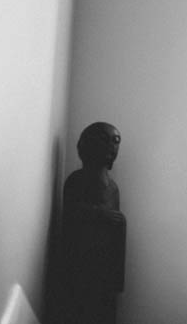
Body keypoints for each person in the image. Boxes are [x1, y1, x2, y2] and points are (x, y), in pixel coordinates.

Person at [62, 122, 126, 324]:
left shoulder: (113, 187)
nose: (111, 147)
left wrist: (119, 222)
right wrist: (100, 214)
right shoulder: (76, 180)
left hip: (107, 266)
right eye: (104, 140)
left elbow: (114, 222)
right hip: (82, 266)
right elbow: (71, 213)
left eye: (116, 141)